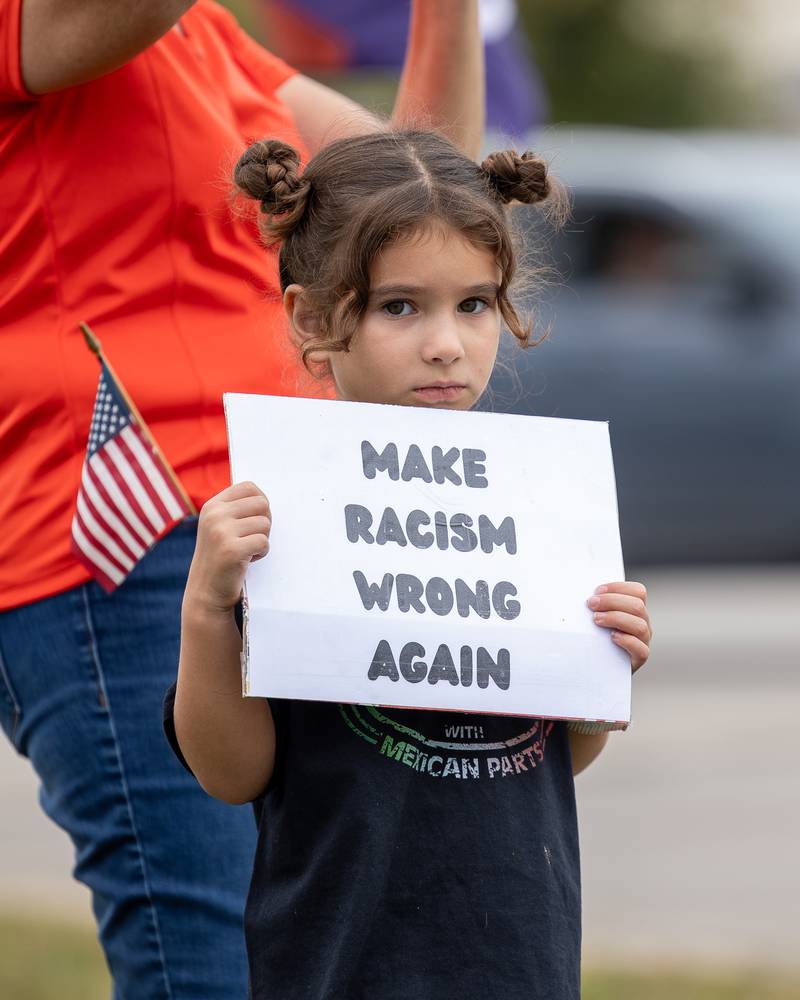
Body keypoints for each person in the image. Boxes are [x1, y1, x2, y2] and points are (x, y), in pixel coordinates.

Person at [0, 2, 483, 997]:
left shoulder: (204, 34)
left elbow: (415, 192)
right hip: (126, 547)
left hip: (288, 514)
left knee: (330, 946)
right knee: (216, 964)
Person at [165, 129, 653, 1000]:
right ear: (314, 319)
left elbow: (536, 759)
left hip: (519, 957)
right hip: (340, 963)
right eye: (400, 307)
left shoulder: (538, 511)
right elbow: (231, 772)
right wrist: (207, 607)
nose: (446, 344)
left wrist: (600, 673)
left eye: (474, 303)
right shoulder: (277, 515)